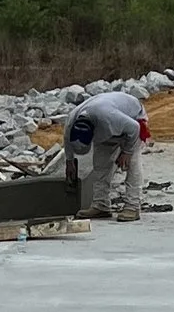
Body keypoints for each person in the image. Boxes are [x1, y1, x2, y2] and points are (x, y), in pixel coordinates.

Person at [64, 85, 149, 220]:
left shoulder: (110, 117)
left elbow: (134, 128)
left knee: (132, 164)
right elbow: (67, 140)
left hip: (133, 120)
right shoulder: (72, 121)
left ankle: (133, 206)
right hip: (107, 126)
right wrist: (69, 161)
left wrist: (127, 152)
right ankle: (101, 205)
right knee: (101, 165)